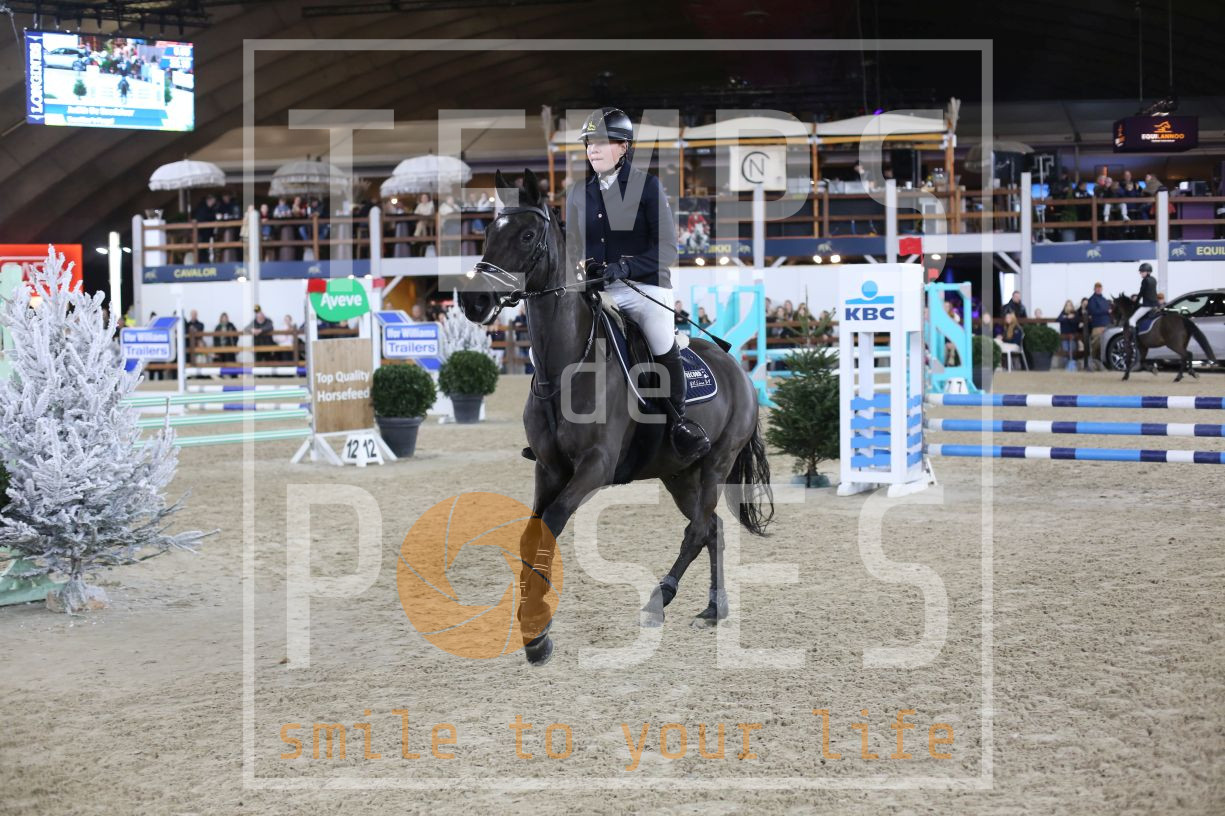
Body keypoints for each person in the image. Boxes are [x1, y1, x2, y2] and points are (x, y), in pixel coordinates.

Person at [568, 106, 708, 462]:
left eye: (601, 142)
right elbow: (572, 248)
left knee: (660, 340)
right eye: (589, 143)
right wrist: (584, 266)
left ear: (623, 147)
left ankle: (679, 423)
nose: (593, 149)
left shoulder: (647, 186)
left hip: (644, 288)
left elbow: (668, 248)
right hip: (597, 290)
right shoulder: (578, 193)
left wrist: (626, 268)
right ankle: (552, 422)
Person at [1129, 262, 1159, 332]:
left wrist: (1136, 301)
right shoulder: (1154, 279)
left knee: (1132, 320)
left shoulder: (1145, 280)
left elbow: (1141, 293)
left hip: (1147, 305)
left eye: (1142, 271)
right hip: (1155, 305)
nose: (1141, 273)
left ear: (1148, 272)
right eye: (1140, 272)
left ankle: (1134, 337)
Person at [1057, 299, 1081, 371]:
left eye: (1070, 305)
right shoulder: (1063, 313)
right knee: (1065, 350)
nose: (1068, 306)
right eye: (1067, 305)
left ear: (1072, 306)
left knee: (1073, 350)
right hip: (1064, 335)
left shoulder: (1075, 313)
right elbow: (1058, 319)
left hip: (1073, 335)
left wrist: (1069, 319)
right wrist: (1067, 317)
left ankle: (1073, 366)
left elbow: (1076, 321)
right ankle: (1066, 366)